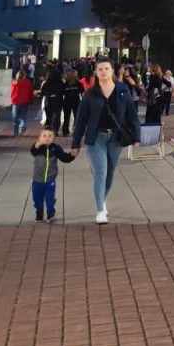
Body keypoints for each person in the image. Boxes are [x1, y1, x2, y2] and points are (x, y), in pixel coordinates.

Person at [71, 56, 140, 223]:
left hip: (116, 138)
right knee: (100, 172)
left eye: (106, 69)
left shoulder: (122, 90)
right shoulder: (90, 94)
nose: (103, 72)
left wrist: (136, 136)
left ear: (112, 71)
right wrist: (75, 143)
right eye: (100, 69)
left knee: (110, 173)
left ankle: (102, 200)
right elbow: (81, 120)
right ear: (96, 72)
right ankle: (100, 210)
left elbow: (132, 114)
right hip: (96, 138)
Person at [30, 127, 75, 222]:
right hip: (37, 180)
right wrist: (37, 144)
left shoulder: (56, 148)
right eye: (44, 136)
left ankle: (50, 214)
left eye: (50, 136)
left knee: (50, 199)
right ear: (39, 138)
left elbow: (64, 158)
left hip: (50, 180)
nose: (47, 138)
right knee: (37, 199)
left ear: (54, 138)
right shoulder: (37, 148)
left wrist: (72, 155)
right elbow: (33, 151)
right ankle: (39, 212)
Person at [39, 64, 65, 130]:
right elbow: (63, 91)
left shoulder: (47, 83)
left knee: (49, 115)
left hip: (48, 100)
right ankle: (55, 129)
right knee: (57, 115)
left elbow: (42, 92)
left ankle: (49, 127)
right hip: (58, 100)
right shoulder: (60, 83)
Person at [9, 69, 35, 136]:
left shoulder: (14, 82)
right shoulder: (28, 82)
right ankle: (22, 127)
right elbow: (30, 92)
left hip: (15, 102)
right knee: (23, 116)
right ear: (24, 75)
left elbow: (11, 92)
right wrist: (31, 99)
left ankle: (15, 132)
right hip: (25, 101)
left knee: (15, 117)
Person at [60, 69, 81, 137]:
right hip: (76, 101)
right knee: (76, 117)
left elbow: (62, 92)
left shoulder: (65, 84)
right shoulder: (78, 83)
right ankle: (76, 131)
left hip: (67, 101)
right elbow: (82, 91)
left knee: (67, 117)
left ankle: (65, 131)